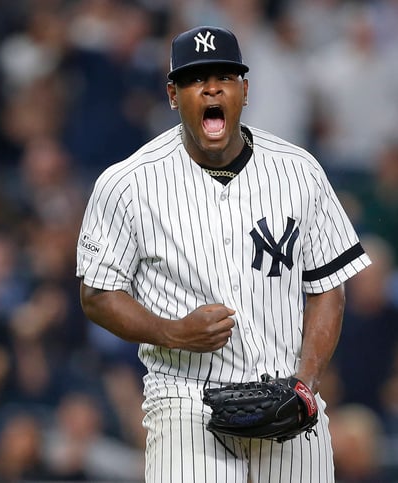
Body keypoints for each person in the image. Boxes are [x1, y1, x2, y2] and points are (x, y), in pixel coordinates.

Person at [76, 25, 371, 483]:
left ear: (244, 90)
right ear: (173, 95)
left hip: (288, 393)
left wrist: (306, 385)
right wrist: (171, 331)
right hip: (185, 399)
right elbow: (97, 294)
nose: (211, 87)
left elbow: (327, 287)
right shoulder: (127, 183)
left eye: (225, 76)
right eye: (196, 79)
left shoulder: (299, 171)